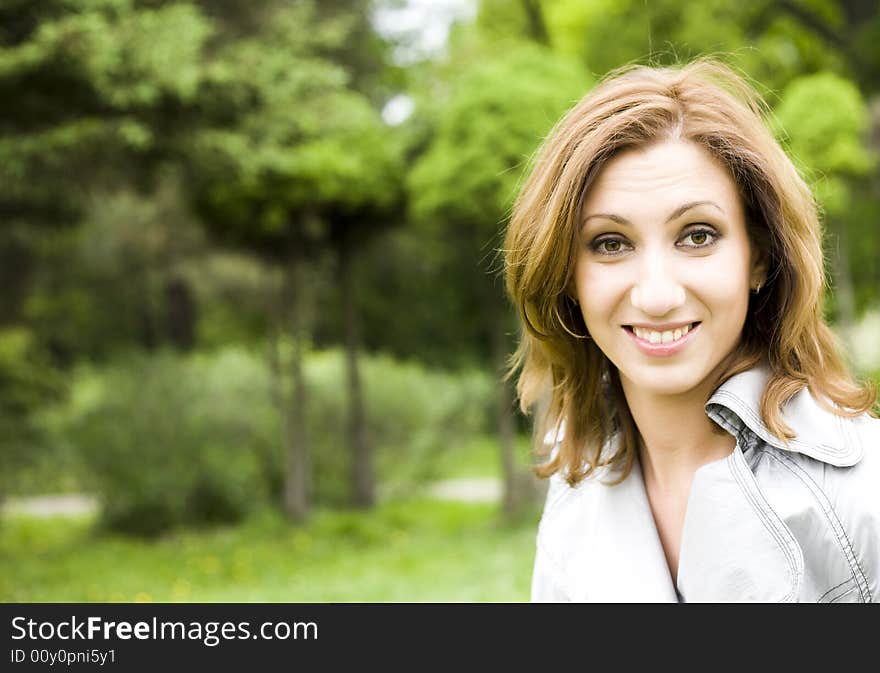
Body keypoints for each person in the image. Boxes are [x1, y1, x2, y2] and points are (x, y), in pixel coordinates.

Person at [502, 58, 880, 602]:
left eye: (697, 235)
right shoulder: (576, 485)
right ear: (566, 275)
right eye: (611, 243)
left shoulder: (861, 493)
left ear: (760, 256)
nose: (657, 295)